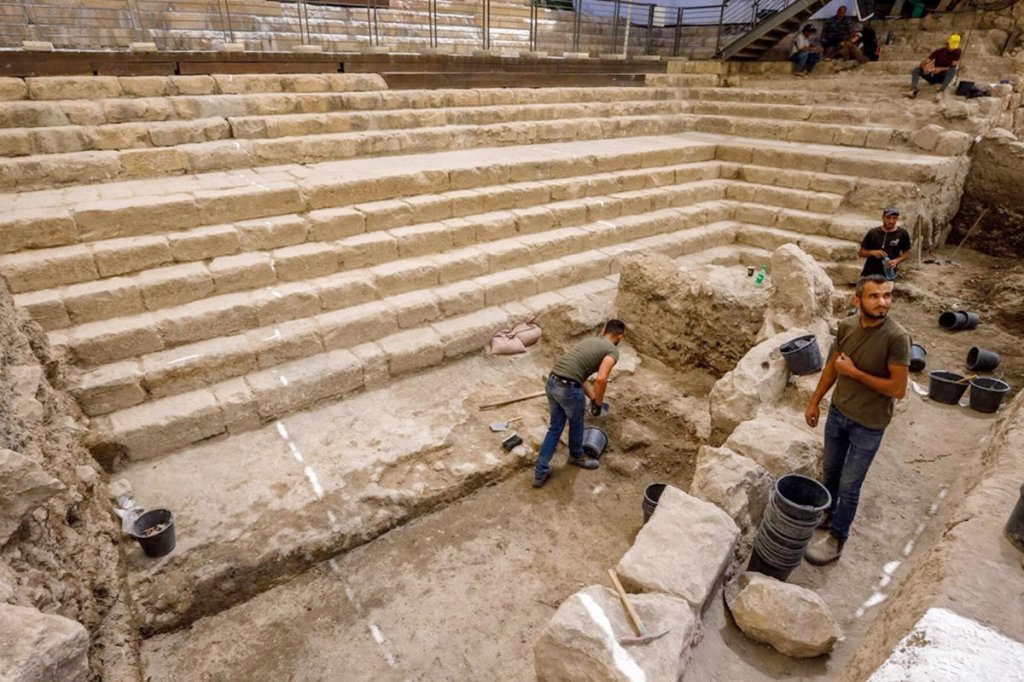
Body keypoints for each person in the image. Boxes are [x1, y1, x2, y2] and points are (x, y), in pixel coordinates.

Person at [804, 275, 910, 565]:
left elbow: (897, 389)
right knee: (830, 472)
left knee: (850, 485)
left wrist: (855, 373)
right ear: (857, 300)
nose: (882, 302)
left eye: (887, 296)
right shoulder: (847, 327)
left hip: (869, 424)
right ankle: (828, 514)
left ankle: (837, 538)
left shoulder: (897, 338)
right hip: (839, 414)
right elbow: (832, 367)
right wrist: (814, 402)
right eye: (874, 296)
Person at [532, 320, 626, 488]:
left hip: (552, 382)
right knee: (576, 425)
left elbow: (578, 375)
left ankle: (540, 472)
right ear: (620, 337)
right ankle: (576, 457)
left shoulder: (590, 341)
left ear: (604, 330)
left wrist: (593, 398)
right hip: (568, 388)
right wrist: (598, 403)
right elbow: (601, 378)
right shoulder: (612, 351)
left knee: (555, 428)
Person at [859, 207, 911, 281]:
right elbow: (861, 253)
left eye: (894, 218)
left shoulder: (902, 234)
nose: (891, 221)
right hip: (869, 274)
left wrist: (896, 261)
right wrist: (872, 252)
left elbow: (906, 254)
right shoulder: (873, 233)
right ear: (883, 218)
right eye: (888, 218)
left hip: (888, 275)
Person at [906, 34, 961, 99]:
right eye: (950, 46)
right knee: (916, 70)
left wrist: (940, 69)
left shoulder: (957, 52)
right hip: (933, 75)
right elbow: (925, 62)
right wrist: (924, 67)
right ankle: (913, 89)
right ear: (947, 44)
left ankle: (940, 91)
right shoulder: (939, 51)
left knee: (952, 70)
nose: (952, 49)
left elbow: (953, 66)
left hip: (943, 77)